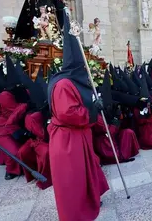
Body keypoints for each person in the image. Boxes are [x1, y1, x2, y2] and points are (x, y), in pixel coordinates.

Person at [47, 11, 109, 221]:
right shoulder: (63, 84)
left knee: (85, 171)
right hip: (68, 139)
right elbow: (68, 113)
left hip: (78, 136)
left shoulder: (69, 81)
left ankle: (90, 200)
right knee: (73, 179)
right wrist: (92, 110)